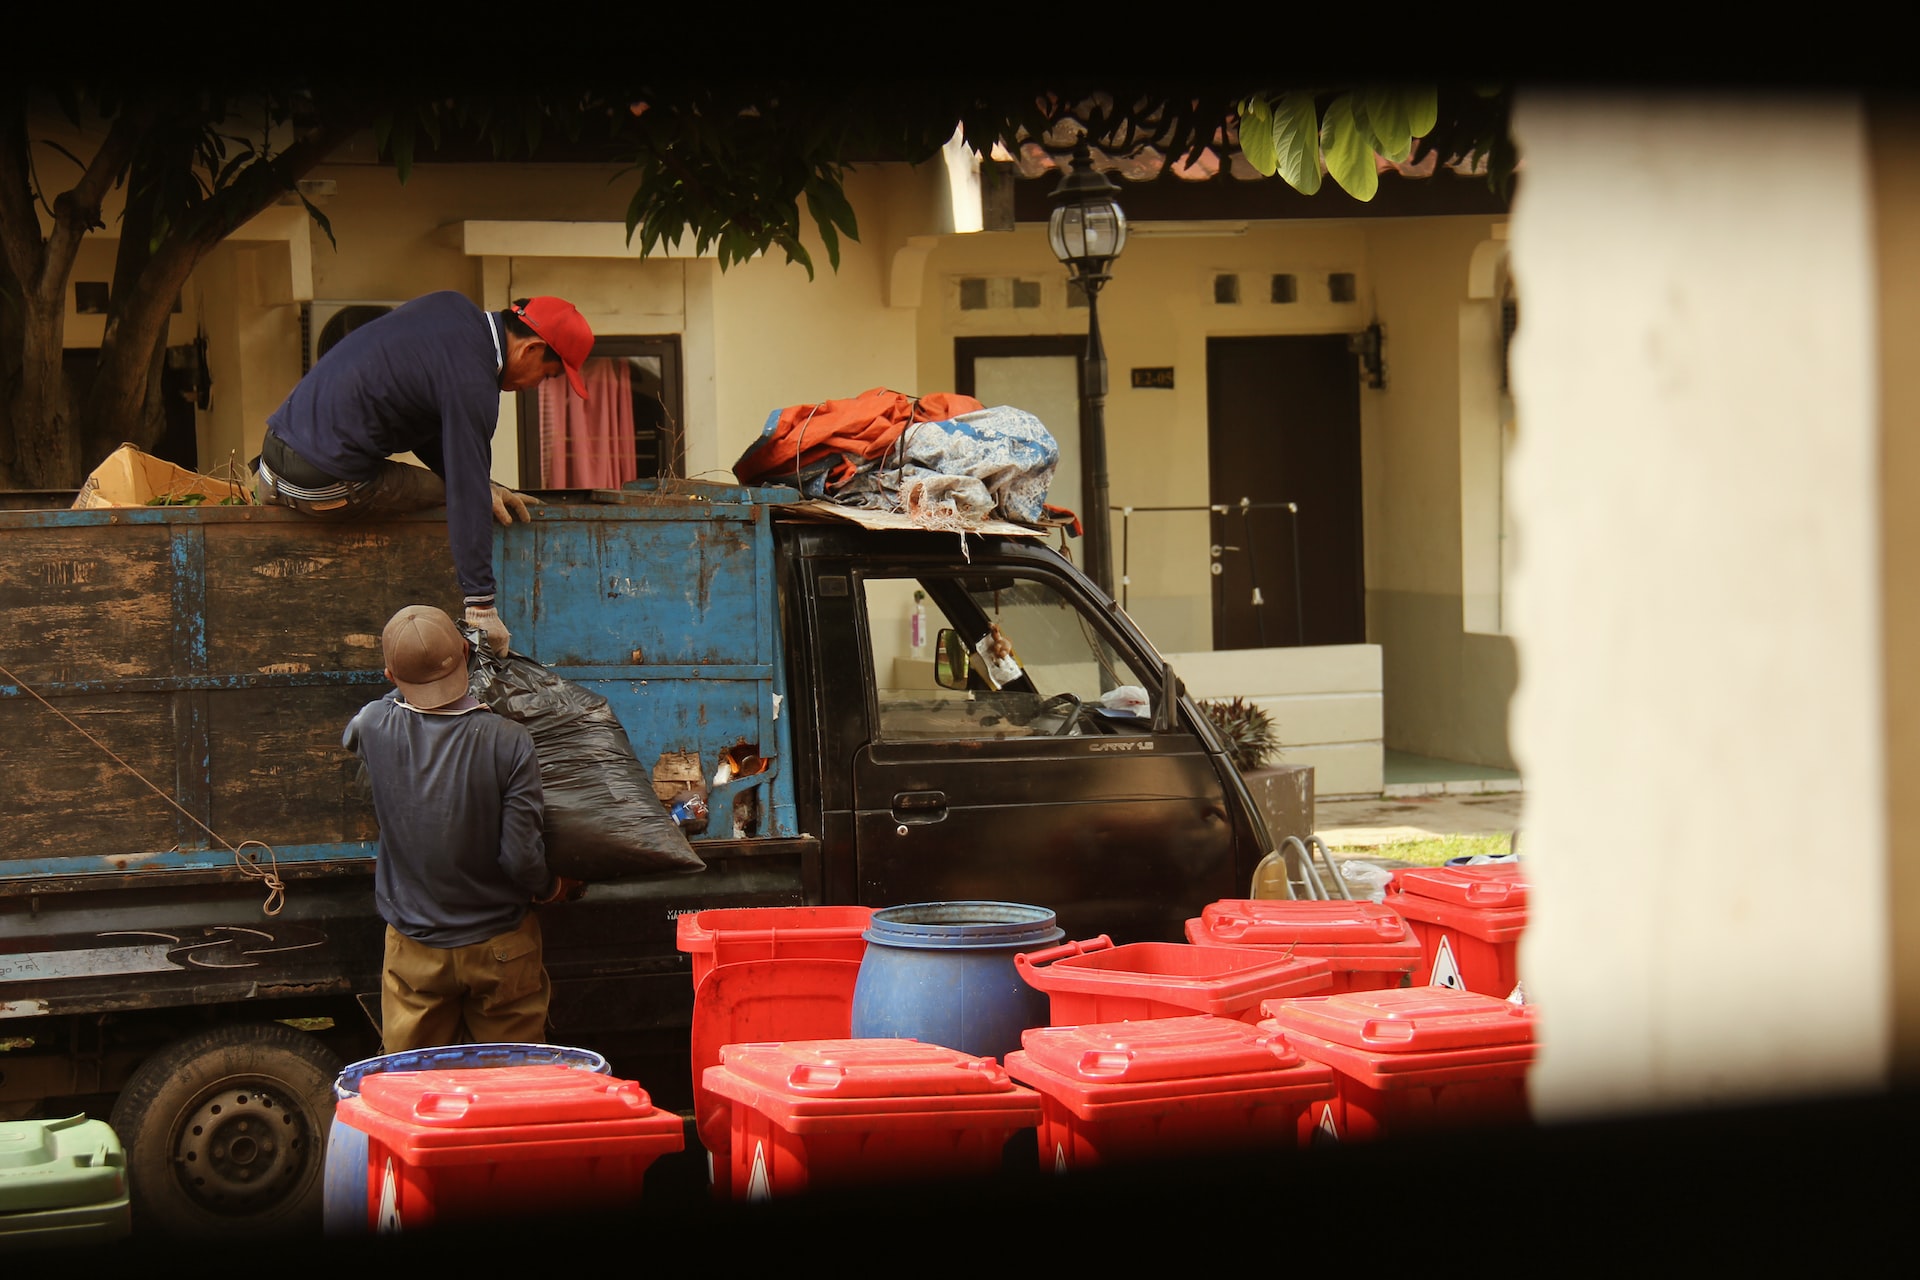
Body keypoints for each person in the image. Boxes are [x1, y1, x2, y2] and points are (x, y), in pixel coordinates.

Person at [257, 291, 595, 656]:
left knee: (471, 485)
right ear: (530, 349)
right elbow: (464, 495)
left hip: (273, 456)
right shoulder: (474, 382)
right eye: (546, 376)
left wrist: (484, 482)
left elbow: (427, 422)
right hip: (322, 482)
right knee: (455, 493)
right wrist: (481, 605)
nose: (535, 386)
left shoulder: (449, 308)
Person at [344, 602, 578, 1052]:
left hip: (415, 951)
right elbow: (520, 858)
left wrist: (404, 690)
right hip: (501, 950)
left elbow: (354, 731)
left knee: (417, 1091)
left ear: (391, 677)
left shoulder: (374, 723)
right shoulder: (508, 740)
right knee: (509, 1095)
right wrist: (552, 887)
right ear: (468, 658)